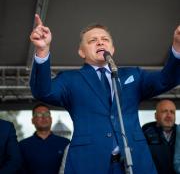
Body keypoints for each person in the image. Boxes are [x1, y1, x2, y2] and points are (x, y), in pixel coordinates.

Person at [29, 13, 180, 174]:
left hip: (136, 161)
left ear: (112, 49)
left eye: (105, 39)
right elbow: (42, 92)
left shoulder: (133, 75)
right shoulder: (70, 80)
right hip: (88, 163)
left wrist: (177, 48)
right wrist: (42, 50)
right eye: (92, 40)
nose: (100, 42)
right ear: (81, 52)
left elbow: (166, 80)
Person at [19, 103, 70, 174]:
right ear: (32, 120)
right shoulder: (22, 146)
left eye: (46, 114)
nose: (43, 117)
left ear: (51, 119)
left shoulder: (65, 143)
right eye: (39, 114)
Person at [142, 99, 177, 174]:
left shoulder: (179, 133)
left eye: (172, 112)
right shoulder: (144, 134)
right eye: (164, 111)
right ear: (156, 115)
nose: (169, 115)